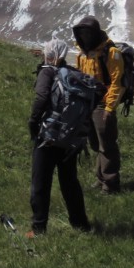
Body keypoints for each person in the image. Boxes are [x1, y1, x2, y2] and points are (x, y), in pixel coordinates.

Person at [27, 38, 91, 235]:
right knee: (70, 182)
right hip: (70, 138)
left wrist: (33, 122)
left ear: (50, 53)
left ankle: (39, 228)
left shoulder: (47, 72)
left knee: (40, 182)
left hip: (48, 135)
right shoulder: (74, 74)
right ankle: (81, 225)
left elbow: (41, 97)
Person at [72, 15, 125, 194]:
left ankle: (111, 184)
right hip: (87, 104)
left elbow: (117, 82)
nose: (85, 36)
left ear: (95, 33)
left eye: (88, 32)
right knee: (95, 144)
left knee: (107, 144)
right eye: (82, 32)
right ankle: (101, 177)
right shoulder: (81, 53)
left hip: (103, 105)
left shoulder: (111, 53)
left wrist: (110, 108)